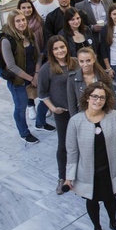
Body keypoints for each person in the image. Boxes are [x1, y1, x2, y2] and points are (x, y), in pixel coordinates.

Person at [65, 82, 116, 230]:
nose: (98, 100)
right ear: (87, 97)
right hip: (88, 171)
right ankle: (97, 228)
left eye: (102, 97)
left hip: (109, 168)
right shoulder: (75, 121)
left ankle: (113, 222)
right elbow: (72, 152)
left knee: (110, 198)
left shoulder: (113, 116)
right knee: (92, 201)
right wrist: (69, 177)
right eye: (94, 96)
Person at [38, 35, 77, 195]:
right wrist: (53, 109)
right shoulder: (46, 69)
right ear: (51, 51)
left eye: (62, 47)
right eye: (56, 48)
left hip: (80, 112)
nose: (60, 51)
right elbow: (42, 93)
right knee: (64, 145)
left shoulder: (76, 63)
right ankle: (63, 177)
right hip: (63, 113)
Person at [0, 10, 43, 144]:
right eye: (17, 21)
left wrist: (36, 74)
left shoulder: (29, 34)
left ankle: (41, 122)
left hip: (34, 75)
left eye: (23, 20)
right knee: (20, 107)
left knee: (44, 97)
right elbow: (11, 66)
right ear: (11, 23)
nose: (21, 23)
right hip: (18, 81)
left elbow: (38, 56)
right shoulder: (6, 40)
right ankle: (24, 133)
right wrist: (30, 79)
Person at [67, 47, 111, 117]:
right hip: (82, 116)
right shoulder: (72, 78)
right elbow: (71, 103)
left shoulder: (104, 76)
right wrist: (74, 120)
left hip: (102, 115)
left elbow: (111, 99)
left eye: (88, 61)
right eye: (81, 61)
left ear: (94, 59)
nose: (85, 64)